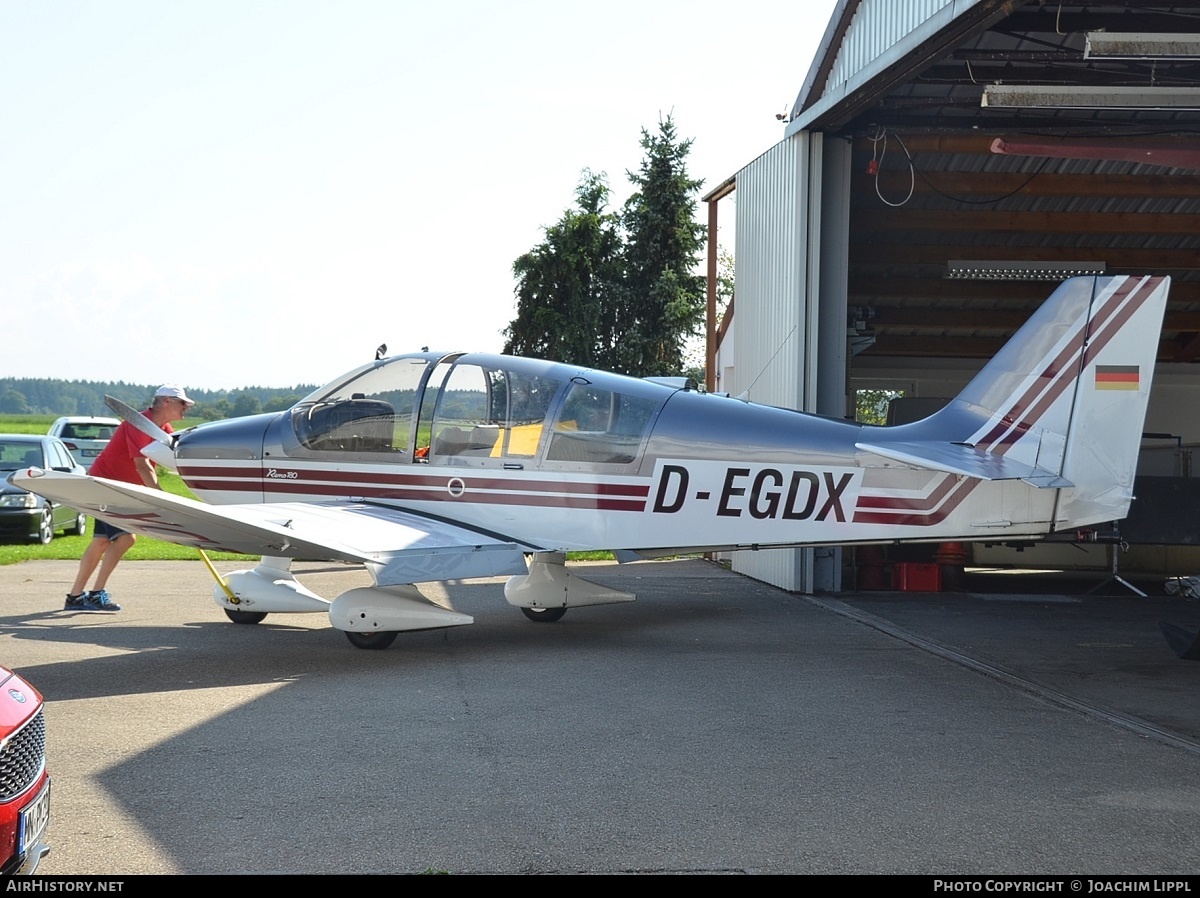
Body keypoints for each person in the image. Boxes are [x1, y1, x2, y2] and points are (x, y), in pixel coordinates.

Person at [64, 385, 194, 613]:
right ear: (166, 402)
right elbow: (142, 465)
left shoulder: (163, 429)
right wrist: (160, 497)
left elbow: (168, 459)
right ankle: (92, 595)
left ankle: (76, 596)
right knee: (125, 539)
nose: (187, 407)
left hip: (121, 488)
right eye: (182, 403)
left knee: (102, 541)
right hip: (107, 485)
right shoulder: (138, 424)